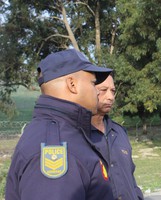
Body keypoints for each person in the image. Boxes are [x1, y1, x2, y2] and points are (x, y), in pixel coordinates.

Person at [5, 49, 114, 200]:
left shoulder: (64, 132)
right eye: (93, 83)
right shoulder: (56, 148)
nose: (96, 92)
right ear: (72, 84)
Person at [91, 73, 144, 200]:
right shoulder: (78, 135)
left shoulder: (119, 132)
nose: (110, 97)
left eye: (113, 91)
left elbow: (130, 178)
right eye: (103, 90)